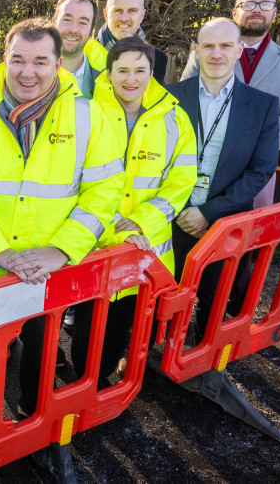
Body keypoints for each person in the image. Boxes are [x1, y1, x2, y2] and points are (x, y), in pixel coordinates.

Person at [0, 18, 123, 443]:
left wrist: (61, 250)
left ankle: (34, 416)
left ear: (59, 64)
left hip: (50, 268)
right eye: (18, 59)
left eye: (40, 61)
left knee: (42, 350)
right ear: (4, 59)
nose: (28, 71)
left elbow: (104, 191)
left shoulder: (88, 116)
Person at [85, 35, 196, 382]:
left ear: (151, 73)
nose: (130, 79)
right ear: (108, 72)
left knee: (135, 327)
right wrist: (116, 226)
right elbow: (74, 180)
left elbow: (181, 183)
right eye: (122, 70)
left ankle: (118, 380)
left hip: (149, 252)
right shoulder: (86, 113)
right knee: (91, 334)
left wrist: (139, 223)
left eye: (139, 70)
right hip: (99, 245)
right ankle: (89, 391)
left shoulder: (175, 119)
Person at [167, 18, 279, 336]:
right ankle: (146, 355)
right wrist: (180, 209)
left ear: (239, 49)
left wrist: (207, 212)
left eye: (226, 45)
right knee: (162, 294)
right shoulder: (168, 97)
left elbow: (260, 170)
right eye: (209, 46)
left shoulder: (262, 106)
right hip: (171, 216)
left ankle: (205, 361)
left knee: (213, 297)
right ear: (196, 50)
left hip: (225, 222)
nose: (217, 53)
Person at [181, 0, 280, 207]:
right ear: (235, 12)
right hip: (199, 167)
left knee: (245, 236)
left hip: (256, 174)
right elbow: (185, 105)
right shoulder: (206, 53)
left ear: (274, 13)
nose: (257, 10)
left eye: (265, 5)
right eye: (248, 4)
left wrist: (254, 147)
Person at [96, 0, 168, 85]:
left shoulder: (158, 59)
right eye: (117, 10)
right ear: (105, 14)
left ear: (142, 15)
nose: (124, 18)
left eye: (132, 11)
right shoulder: (85, 55)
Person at [53, 0, 107, 98]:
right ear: (53, 23)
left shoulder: (107, 80)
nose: (73, 29)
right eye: (67, 20)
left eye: (82, 23)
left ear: (91, 31)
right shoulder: (28, 74)